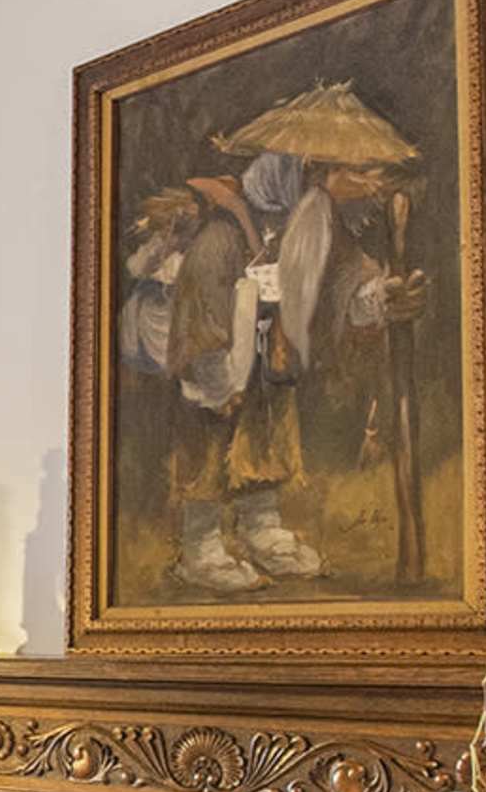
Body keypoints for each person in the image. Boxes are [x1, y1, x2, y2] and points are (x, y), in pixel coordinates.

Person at [122, 149, 427, 592]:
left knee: (269, 431)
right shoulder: (225, 223)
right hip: (214, 343)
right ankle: (201, 545)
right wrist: (216, 372)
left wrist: (382, 296)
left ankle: (260, 527)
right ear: (317, 169)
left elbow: (340, 282)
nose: (368, 182)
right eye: (356, 171)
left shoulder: (315, 219)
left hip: (268, 346)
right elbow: (202, 296)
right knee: (208, 435)